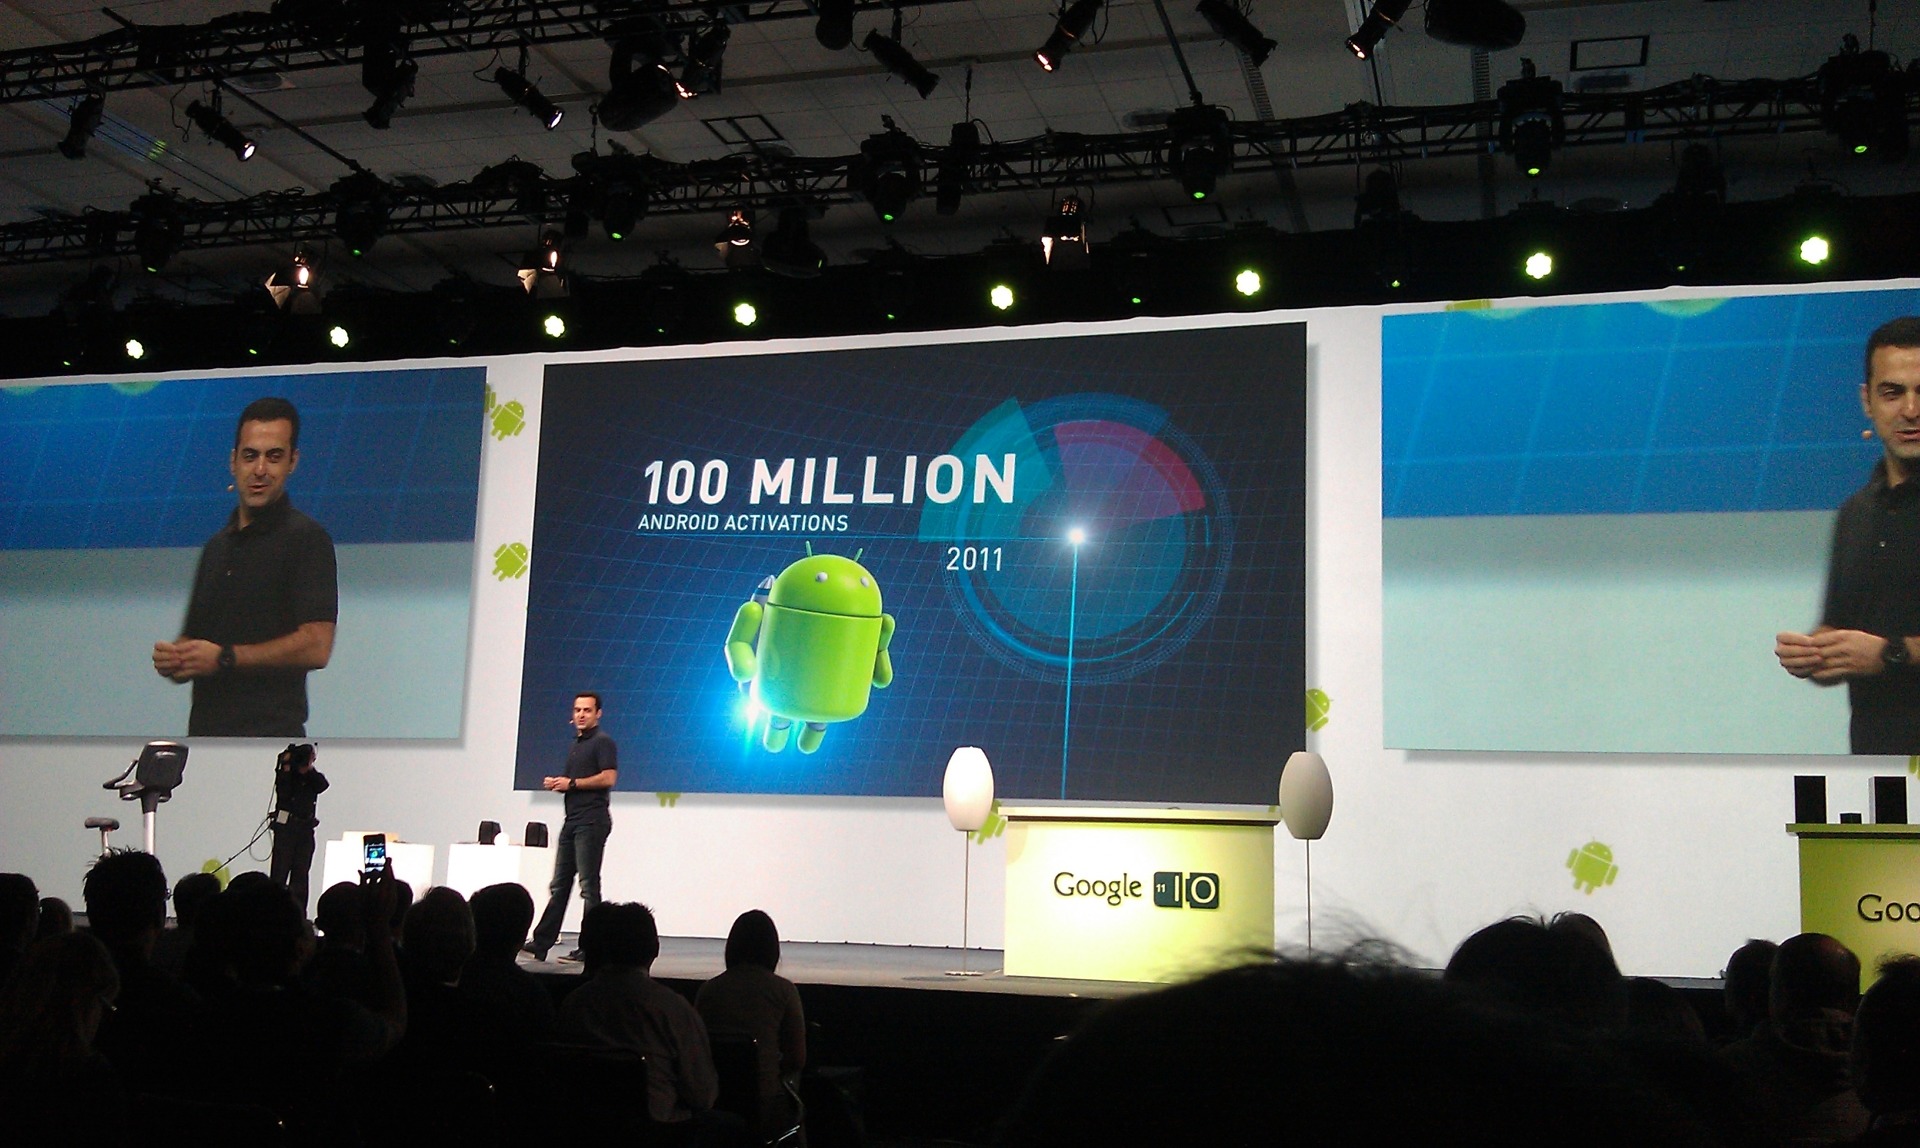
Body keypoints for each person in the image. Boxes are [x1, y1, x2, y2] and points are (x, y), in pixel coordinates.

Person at [152, 396, 337, 738]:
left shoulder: (307, 539)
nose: (260, 469)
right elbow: (197, 638)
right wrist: (177, 658)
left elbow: (317, 646)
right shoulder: (217, 547)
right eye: (250, 456)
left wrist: (224, 658)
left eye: (274, 456)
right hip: (206, 741)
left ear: (293, 462)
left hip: (272, 742)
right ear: (233, 462)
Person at [1778, 318, 1920, 753]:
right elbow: (1843, 630)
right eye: (1892, 393)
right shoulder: (1856, 513)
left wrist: (1889, 654)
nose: (1910, 410)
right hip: (1877, 769)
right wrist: (1818, 653)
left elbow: (1877, 653)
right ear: (1867, 401)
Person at [555, 902, 723, 1133]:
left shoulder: (574, 1004)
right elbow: (702, 1094)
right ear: (655, 949)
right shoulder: (673, 1010)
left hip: (584, 1132)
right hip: (660, 1134)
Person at [524, 692, 618, 962]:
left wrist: (572, 784)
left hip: (592, 820)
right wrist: (560, 784)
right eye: (577, 710)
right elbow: (578, 782)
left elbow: (609, 777)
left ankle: (591, 947)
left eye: (587, 710)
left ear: (598, 713)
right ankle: (541, 943)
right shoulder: (577, 744)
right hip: (573, 820)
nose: (581, 715)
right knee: (560, 884)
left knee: (589, 886)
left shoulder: (603, 742)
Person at [695, 909, 807, 1134]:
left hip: (714, 1103)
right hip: (765, 1107)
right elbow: (797, 1059)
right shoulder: (784, 991)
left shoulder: (708, 990)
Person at [268, 742, 328, 916]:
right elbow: (284, 793)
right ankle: (272, 913)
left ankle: (299, 915)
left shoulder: (311, 777)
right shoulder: (286, 775)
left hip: (305, 830)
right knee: (279, 873)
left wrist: (308, 770)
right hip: (286, 830)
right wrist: (286, 768)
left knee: (301, 875)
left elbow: (322, 785)